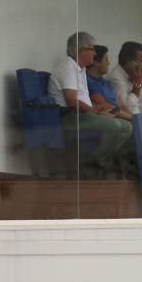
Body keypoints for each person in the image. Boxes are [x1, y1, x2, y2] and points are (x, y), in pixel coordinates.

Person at [48, 32, 132, 175]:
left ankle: (103, 159)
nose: (94, 52)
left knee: (126, 126)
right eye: (92, 49)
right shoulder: (68, 68)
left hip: (84, 114)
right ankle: (99, 161)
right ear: (80, 50)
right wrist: (98, 112)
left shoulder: (81, 70)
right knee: (114, 125)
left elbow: (82, 100)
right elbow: (72, 101)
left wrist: (98, 110)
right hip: (69, 117)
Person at [109, 41, 142, 118]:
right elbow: (128, 110)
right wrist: (137, 87)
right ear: (130, 63)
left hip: (139, 123)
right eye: (141, 61)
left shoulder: (135, 75)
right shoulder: (115, 78)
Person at [86, 45, 131, 121]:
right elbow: (106, 106)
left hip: (121, 115)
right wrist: (132, 118)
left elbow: (121, 105)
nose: (109, 63)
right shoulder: (89, 82)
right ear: (96, 63)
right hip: (110, 117)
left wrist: (136, 118)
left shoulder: (106, 82)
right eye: (106, 60)